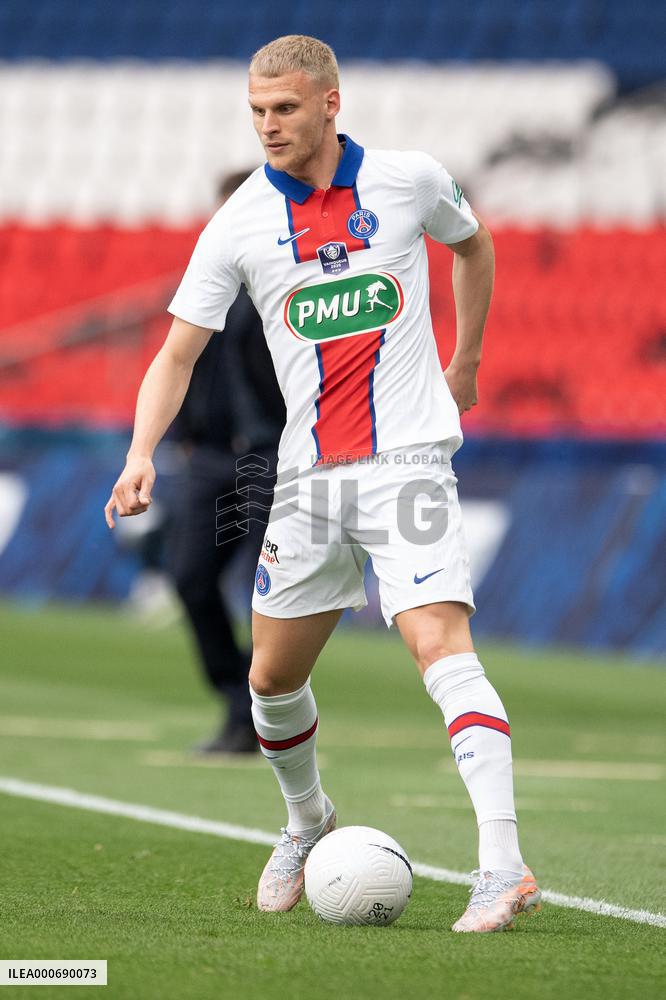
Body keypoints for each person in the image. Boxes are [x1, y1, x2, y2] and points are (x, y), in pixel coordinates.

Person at [104, 34, 541, 933]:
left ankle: (503, 866)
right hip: (305, 479)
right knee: (270, 679)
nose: (268, 125)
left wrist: (465, 361)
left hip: (406, 463)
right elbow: (176, 353)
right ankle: (308, 821)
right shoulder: (238, 223)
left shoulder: (409, 180)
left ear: (330, 104)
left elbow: (475, 245)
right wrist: (141, 451)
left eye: (285, 109)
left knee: (438, 644)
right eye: (257, 111)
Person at [165, 170, 285, 754]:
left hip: (270, 453)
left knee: (271, 592)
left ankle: (264, 714)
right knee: (190, 578)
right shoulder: (206, 281)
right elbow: (181, 362)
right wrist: (184, 431)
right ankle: (241, 698)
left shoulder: (284, 277)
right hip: (212, 456)